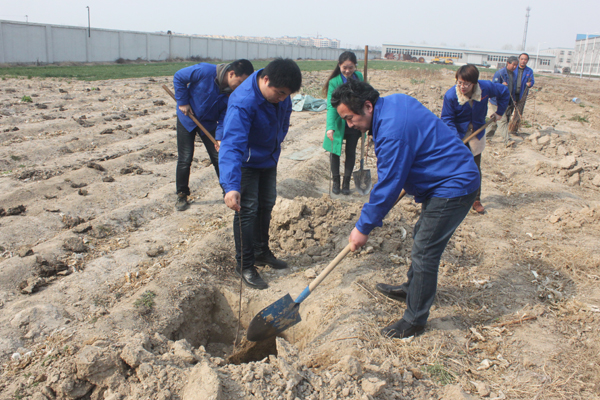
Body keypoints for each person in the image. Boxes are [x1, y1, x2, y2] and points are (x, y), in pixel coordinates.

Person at [331, 80, 480, 339]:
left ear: (368, 106)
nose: (349, 125)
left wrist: (362, 228)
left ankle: (414, 321)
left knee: (425, 250)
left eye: (350, 118)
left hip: (453, 184)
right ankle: (413, 289)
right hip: (443, 176)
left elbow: (388, 185)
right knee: (422, 234)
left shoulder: (391, 131)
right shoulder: (394, 102)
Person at [219, 58, 302, 290]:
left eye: (287, 95)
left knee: (266, 204)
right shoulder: (243, 102)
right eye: (280, 93)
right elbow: (232, 145)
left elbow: (283, 120)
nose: (283, 98)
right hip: (246, 163)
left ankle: (261, 251)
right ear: (266, 80)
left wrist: (274, 145)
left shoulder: (281, 94)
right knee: (247, 211)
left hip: (268, 159)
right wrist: (231, 186)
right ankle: (245, 264)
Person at [173, 59, 254, 211]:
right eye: (240, 82)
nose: (241, 86)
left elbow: (224, 117)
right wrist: (183, 102)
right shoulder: (205, 71)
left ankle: (228, 191)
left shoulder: (232, 94)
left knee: (219, 156)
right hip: (187, 118)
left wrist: (219, 137)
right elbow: (179, 76)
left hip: (208, 124)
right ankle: (182, 194)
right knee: (185, 158)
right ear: (231, 74)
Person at [441, 65, 509, 214]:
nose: (462, 87)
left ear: (474, 83)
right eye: (460, 83)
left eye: (466, 84)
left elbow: (504, 92)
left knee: (474, 167)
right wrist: (456, 140)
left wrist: (499, 112)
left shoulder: (485, 88)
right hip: (458, 134)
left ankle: (475, 199)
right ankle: (454, 198)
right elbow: (447, 119)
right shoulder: (451, 95)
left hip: (476, 131)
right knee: (456, 166)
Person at [322, 51, 364, 195]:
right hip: (339, 122)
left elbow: (365, 97)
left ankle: (346, 183)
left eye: (351, 67)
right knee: (335, 151)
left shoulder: (359, 77)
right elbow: (331, 106)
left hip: (355, 122)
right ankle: (336, 181)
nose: (347, 71)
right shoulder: (334, 82)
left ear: (355, 66)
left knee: (351, 152)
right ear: (339, 65)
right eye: (344, 67)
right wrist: (330, 127)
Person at [489, 56, 519, 144]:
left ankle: (487, 137)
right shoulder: (499, 73)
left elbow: (513, 89)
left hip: (507, 101)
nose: (515, 67)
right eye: (513, 64)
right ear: (508, 63)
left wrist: (513, 100)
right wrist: (501, 85)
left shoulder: (514, 75)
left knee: (496, 120)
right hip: (497, 101)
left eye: (516, 65)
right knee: (503, 120)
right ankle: (507, 140)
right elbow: (493, 87)